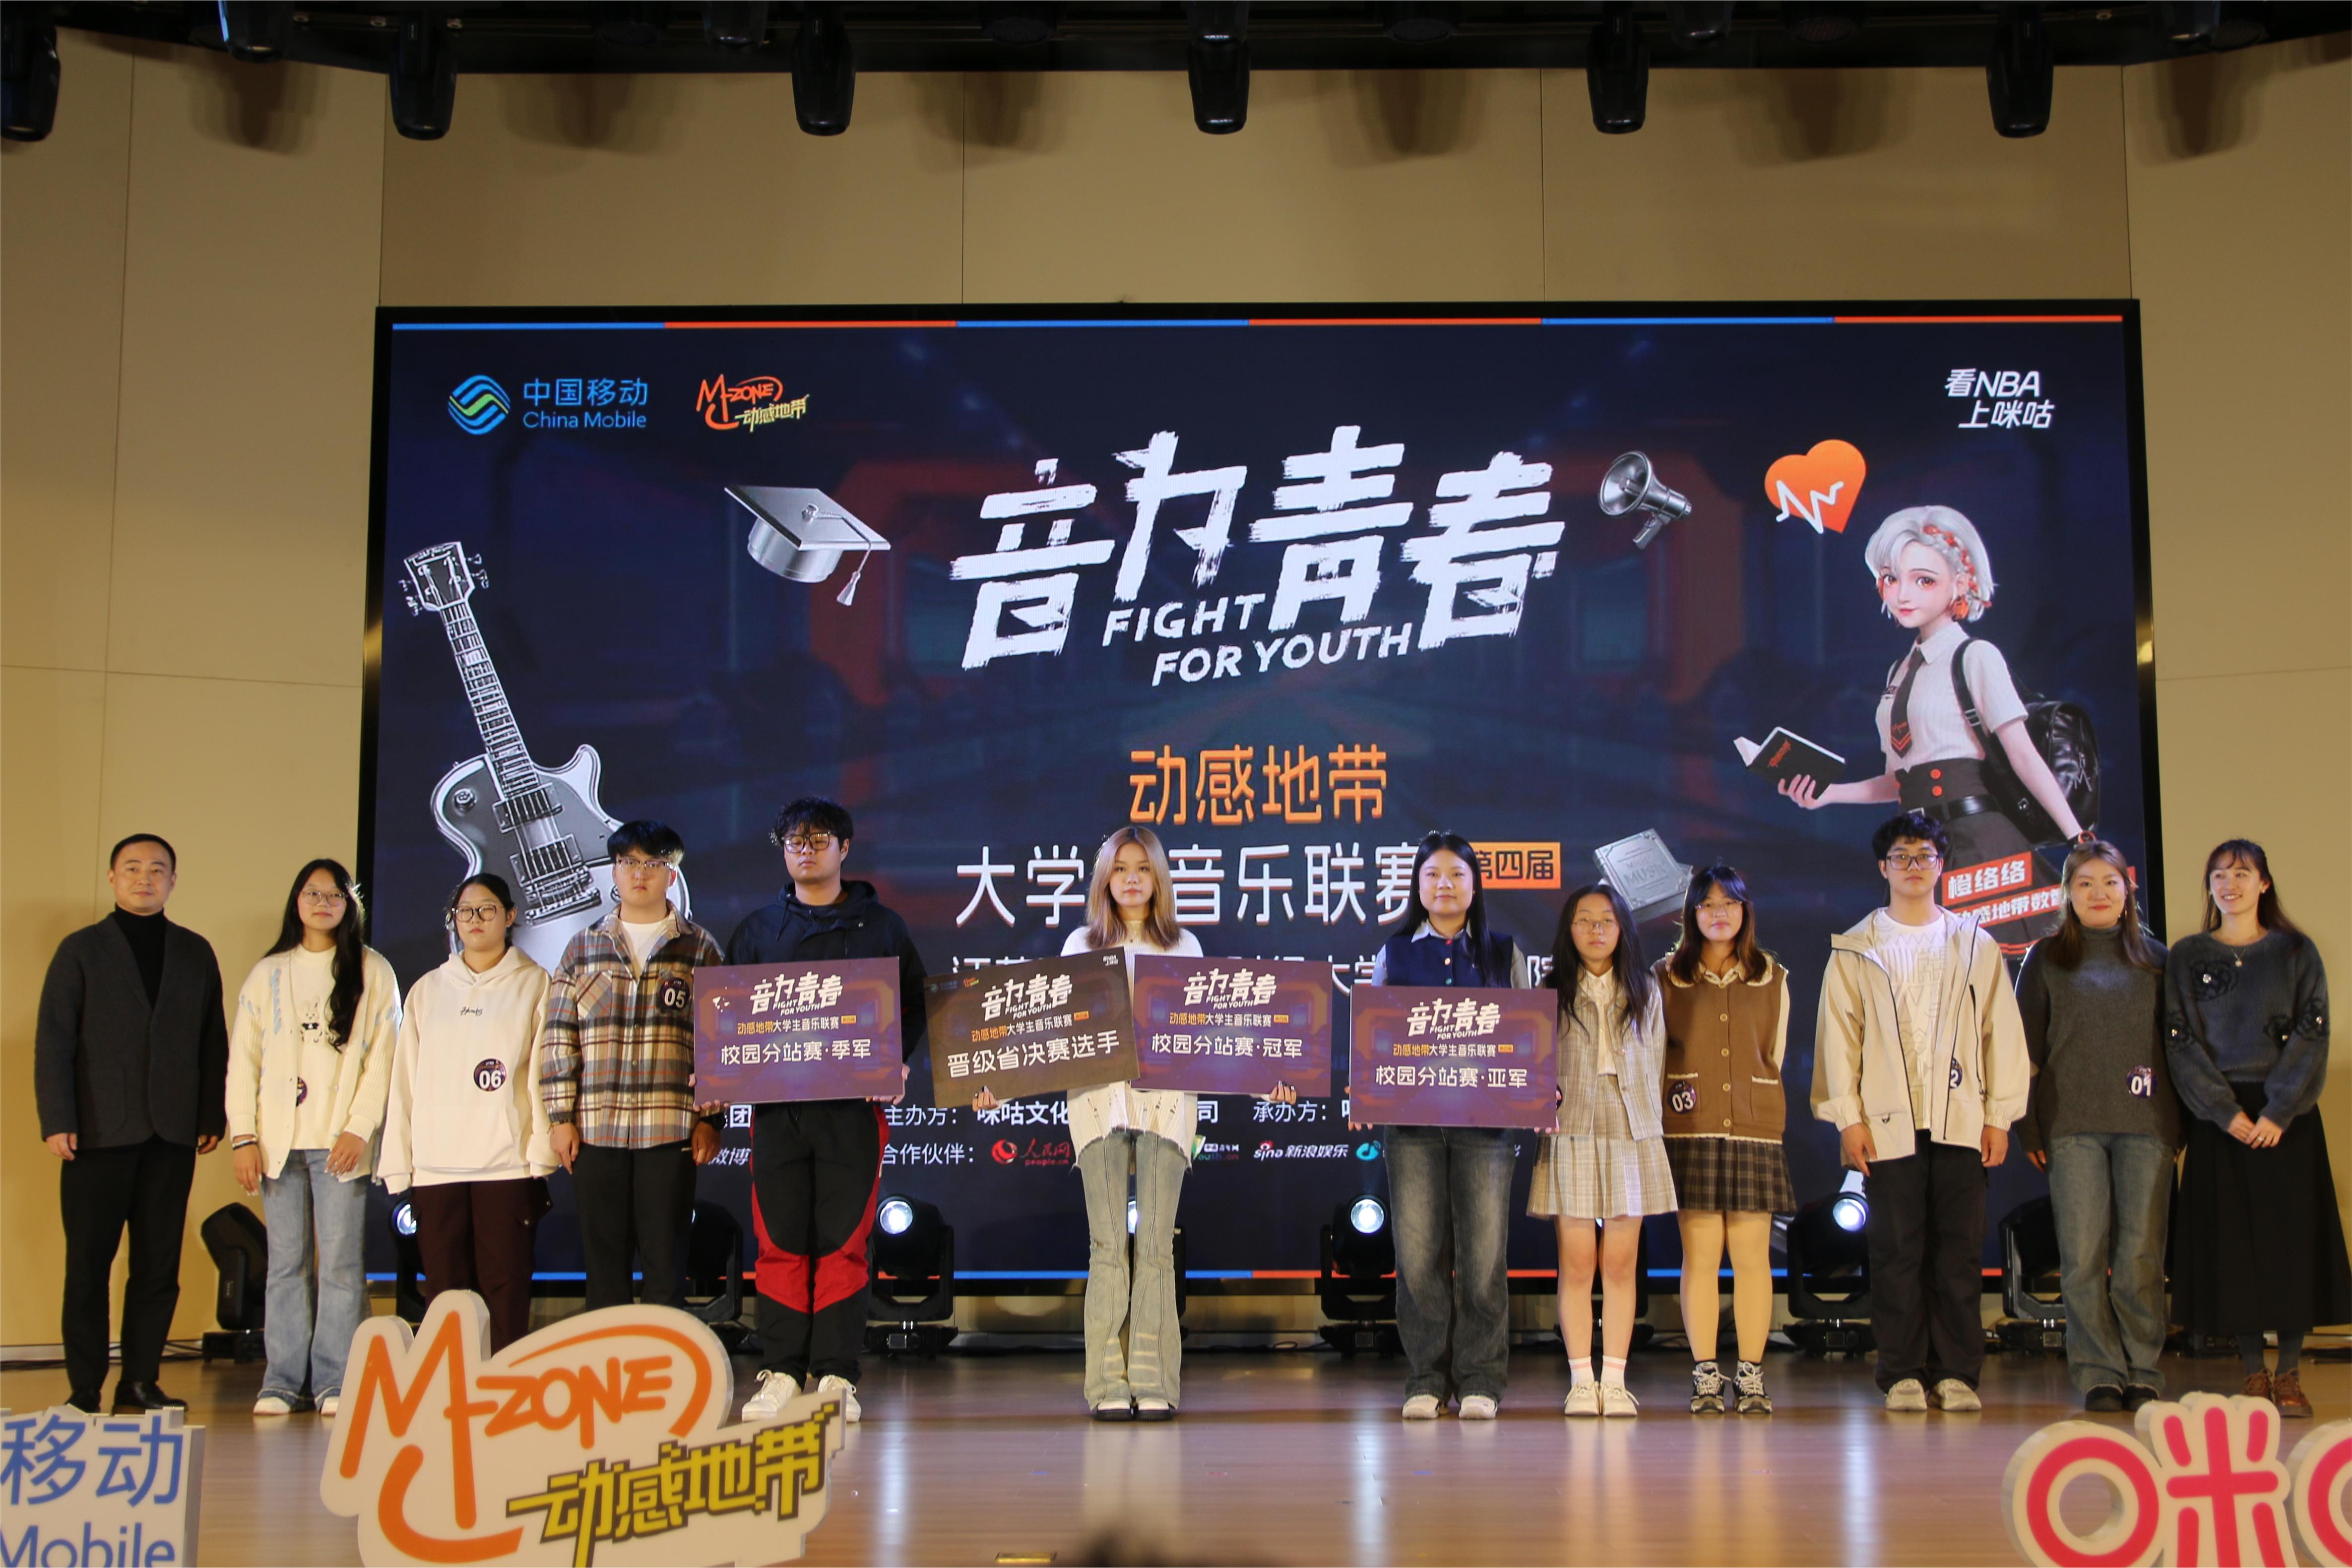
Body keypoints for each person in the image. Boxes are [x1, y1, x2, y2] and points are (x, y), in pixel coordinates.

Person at [973, 827, 1299, 1422]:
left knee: (1154, 1247)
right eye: (1120, 868)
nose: (1130, 878)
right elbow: (1049, 1033)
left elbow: (1213, 1034)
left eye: (1142, 868)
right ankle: (1104, 1382)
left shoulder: (1184, 946)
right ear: (1104, 878)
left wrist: (1266, 1079)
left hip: (1165, 1109)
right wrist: (999, 1082)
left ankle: (1155, 1380)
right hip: (1098, 1105)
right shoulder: (1080, 943)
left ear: (1158, 878)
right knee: (1106, 1247)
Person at [1780, 505, 2090, 946]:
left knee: (1989, 973)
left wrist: (2079, 839)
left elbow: (2023, 755)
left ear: (1959, 584)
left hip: (1980, 845)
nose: (1903, 594)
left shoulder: (1976, 656)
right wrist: (1828, 794)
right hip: (1917, 852)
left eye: (1924, 580)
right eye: (1891, 579)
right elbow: (1899, 781)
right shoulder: (1899, 671)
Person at [1812, 810, 2030, 1414]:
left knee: (1958, 1250)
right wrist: (1848, 1117)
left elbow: (2001, 1033)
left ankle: (1956, 1372)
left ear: (1941, 864)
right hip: (1885, 1124)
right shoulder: (1856, 946)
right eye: (1901, 857)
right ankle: (1902, 1371)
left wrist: (1999, 1115)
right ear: (1883, 867)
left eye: (1925, 855)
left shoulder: (1974, 942)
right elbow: (1838, 1039)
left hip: (1961, 1118)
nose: (1913, 866)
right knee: (1895, 1249)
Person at [725, 799, 928, 1427]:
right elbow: (726, 1014)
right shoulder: (758, 930)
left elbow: (914, 1003)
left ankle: (837, 1371)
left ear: (845, 847)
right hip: (778, 1111)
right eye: (794, 840)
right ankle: (782, 1368)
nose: (805, 849)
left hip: (851, 1110)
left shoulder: (882, 927)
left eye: (818, 839)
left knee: (844, 1241)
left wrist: (896, 1061)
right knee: (780, 1241)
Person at [35, 834, 229, 1414]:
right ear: (113, 878)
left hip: (171, 1132)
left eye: (157, 869)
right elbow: (54, 1040)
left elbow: (212, 1040)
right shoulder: (80, 949)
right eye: (133, 868)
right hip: (95, 1131)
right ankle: (85, 1387)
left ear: (173, 881)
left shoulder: (194, 951)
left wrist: (209, 1114)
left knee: (157, 1266)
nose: (145, 878)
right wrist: (58, 1118)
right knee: (88, 1266)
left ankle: (140, 1381)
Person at [2165, 839, 2346, 1421]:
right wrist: (2224, 1110)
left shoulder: (2294, 949)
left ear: (2264, 883)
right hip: (2219, 1116)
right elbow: (2178, 1037)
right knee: (2233, 1247)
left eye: (2242, 873)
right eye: (2219, 874)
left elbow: (2312, 1030)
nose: (2230, 884)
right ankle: (2252, 1371)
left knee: (2290, 1243)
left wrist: (2278, 1109)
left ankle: (2289, 1372)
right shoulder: (2188, 954)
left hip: (2285, 1114)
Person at [1364, 831, 1533, 1422]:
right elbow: (1373, 1040)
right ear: (1416, 885)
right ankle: (1426, 1378)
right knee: (1417, 1258)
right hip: (1411, 1127)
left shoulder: (1504, 953)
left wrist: (1541, 1086)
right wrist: (1366, 1088)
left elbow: (1529, 1036)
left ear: (1475, 885)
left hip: (1487, 1126)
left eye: (1457, 874)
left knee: (1482, 1257)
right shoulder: (1393, 953)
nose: (1444, 885)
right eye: (1432, 874)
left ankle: (1481, 1377)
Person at [225, 858, 401, 1417]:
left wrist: (358, 1127)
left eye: (334, 894)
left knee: (342, 1266)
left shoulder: (373, 970)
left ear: (351, 903)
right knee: (286, 1264)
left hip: (340, 1143)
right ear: (296, 902)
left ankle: (335, 1380)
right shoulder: (269, 973)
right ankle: (281, 1380)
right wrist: (243, 1136)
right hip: (276, 1145)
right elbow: (243, 1061)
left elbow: (384, 1058)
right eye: (312, 893)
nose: (322, 903)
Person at [2016, 841, 2177, 1413]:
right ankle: (2098, 1371)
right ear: (2067, 893)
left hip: (2146, 1125)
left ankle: (2142, 1369)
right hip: (2071, 1125)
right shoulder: (2045, 958)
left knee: (2140, 1254)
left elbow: (2178, 1050)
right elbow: (2024, 1052)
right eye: (2084, 883)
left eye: (2109, 881)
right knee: (2082, 1254)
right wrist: (2028, 1126)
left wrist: (2178, 1126)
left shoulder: (2157, 959)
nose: (2098, 893)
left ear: (2127, 888)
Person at [541, 821, 726, 1314]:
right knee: (605, 1266)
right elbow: (559, 1036)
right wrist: (560, 1117)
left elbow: (717, 1041)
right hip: (596, 1129)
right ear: (614, 872)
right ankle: (608, 1358)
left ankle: (663, 1359)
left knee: (666, 1263)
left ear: (672, 874)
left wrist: (711, 1117)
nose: (639, 873)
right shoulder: (582, 947)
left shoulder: (700, 948)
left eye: (652, 863)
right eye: (628, 863)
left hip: (669, 1129)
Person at [378, 874, 555, 1353]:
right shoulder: (428, 989)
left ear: (510, 916)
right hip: (437, 1166)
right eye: (465, 911)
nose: (475, 920)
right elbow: (404, 1082)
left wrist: (541, 1151)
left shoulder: (535, 983)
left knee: (506, 1286)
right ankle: (449, 1385)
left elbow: (543, 1073)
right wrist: (399, 1160)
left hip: (507, 1164)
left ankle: (504, 1382)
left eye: (487, 909)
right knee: (446, 1294)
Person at [1658, 865, 1794, 1417]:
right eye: (1708, 904)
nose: (1719, 913)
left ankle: (1752, 1374)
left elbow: (1774, 1053)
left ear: (1745, 910)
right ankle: (1705, 1375)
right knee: (1700, 1257)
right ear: (1691, 913)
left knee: (1752, 1257)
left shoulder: (1772, 976)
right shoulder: (1666, 975)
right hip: (1690, 1126)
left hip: (1753, 1128)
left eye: (1730, 903)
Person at [1532, 883, 1672, 1418]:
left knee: (1619, 1263)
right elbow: (1533, 1064)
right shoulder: (1550, 988)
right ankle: (1580, 1380)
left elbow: (1656, 1062)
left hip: (1630, 1124)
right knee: (1576, 1263)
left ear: (1622, 929)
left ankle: (1614, 1380)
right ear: (1568, 929)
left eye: (1606, 920)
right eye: (1584, 920)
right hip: (1570, 1124)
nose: (1595, 929)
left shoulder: (1645, 988)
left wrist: (1649, 1120)